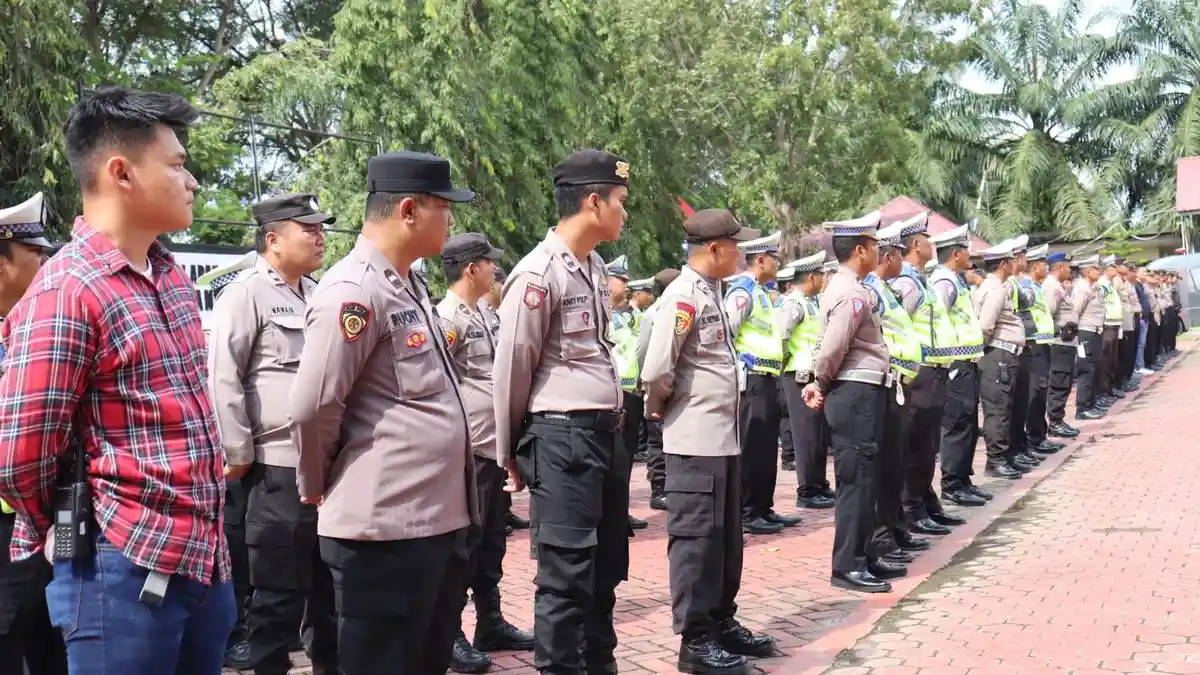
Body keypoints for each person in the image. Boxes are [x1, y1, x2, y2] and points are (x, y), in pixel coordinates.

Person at [0, 86, 236, 675]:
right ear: (121, 172)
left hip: (202, 564)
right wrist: (85, 530)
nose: (193, 180)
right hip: (121, 570)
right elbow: (20, 458)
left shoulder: (170, 276)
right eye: (178, 164)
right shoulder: (68, 291)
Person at [291, 150, 478, 675]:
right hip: (385, 532)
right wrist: (315, 481)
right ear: (410, 211)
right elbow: (314, 405)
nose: (453, 220)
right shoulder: (354, 291)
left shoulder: (409, 283)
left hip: (432, 521)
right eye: (447, 207)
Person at [492, 149, 631, 675]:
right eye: (620, 201)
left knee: (604, 574)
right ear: (593, 202)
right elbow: (511, 369)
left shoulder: (592, 267)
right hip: (562, 439)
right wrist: (509, 452)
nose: (625, 212)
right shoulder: (537, 274)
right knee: (566, 579)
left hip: (602, 436)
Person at [208, 194, 338, 675]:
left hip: (325, 470)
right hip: (275, 469)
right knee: (277, 598)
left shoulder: (318, 292)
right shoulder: (246, 294)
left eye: (321, 228)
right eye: (308, 228)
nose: (320, 236)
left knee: (329, 595)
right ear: (272, 239)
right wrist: (239, 454)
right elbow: (223, 378)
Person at [642, 209, 776, 675]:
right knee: (696, 542)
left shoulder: (711, 293)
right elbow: (658, 368)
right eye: (736, 245)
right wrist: (660, 409)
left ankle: (721, 621)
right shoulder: (682, 296)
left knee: (725, 540)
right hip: (695, 439)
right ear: (714, 248)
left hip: (722, 438)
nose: (742, 254)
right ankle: (695, 640)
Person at [435, 233, 535, 674]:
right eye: (489, 264)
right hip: (468, 450)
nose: (496, 270)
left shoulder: (487, 315)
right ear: (470, 268)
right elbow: (439, 386)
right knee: (465, 544)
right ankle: (451, 632)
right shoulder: (447, 318)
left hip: (492, 448)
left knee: (492, 540)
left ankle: (489, 621)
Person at [802, 211, 892, 593]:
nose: (879, 253)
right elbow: (833, 347)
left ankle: (864, 555)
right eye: (874, 246)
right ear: (860, 250)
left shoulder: (851, 288)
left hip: (862, 390)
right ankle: (848, 565)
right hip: (853, 392)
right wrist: (819, 381)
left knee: (866, 479)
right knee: (855, 481)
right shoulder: (851, 293)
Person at [0, 193, 66, 675]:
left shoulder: (28, 329)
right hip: (7, 531)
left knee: (55, 638)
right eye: (36, 255)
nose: (46, 265)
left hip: (46, 522)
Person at [886, 213, 965, 532]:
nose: (934, 245)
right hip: (920, 375)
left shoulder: (921, 280)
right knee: (917, 444)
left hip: (935, 372)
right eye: (929, 239)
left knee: (927, 444)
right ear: (916, 244)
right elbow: (893, 328)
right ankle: (912, 508)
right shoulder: (905, 283)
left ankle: (925, 501)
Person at [725, 231, 799, 535]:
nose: (779, 263)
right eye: (775, 258)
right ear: (760, 260)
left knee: (767, 446)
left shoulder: (761, 293)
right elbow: (727, 333)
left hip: (768, 378)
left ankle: (763, 507)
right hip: (751, 379)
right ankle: (747, 510)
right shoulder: (741, 292)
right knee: (752, 444)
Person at [860, 222, 923, 576]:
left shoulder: (884, 290)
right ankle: (883, 538)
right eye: (899, 253)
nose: (903, 259)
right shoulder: (870, 291)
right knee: (883, 468)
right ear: (888, 256)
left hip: (899, 381)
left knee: (895, 464)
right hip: (885, 383)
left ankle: (896, 531)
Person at [927, 226, 989, 508]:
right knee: (956, 424)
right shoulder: (944, 283)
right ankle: (952, 483)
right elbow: (936, 321)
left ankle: (963, 479)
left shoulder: (956, 281)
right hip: (955, 364)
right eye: (966, 250)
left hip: (967, 363)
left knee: (968, 423)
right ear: (955, 253)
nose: (970, 256)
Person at [778, 253, 836, 511]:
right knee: (806, 436)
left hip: (813, 376)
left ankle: (818, 483)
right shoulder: (794, 303)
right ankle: (807, 490)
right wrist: (787, 359)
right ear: (811, 277)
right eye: (821, 275)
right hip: (799, 377)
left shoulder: (811, 302)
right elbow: (782, 336)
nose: (824, 280)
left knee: (819, 434)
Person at [974, 239, 1028, 479]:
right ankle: (995, 461)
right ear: (1003, 263)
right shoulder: (995, 288)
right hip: (998, 355)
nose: (1016, 264)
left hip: (1003, 354)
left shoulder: (998, 286)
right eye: (1012, 260)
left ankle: (1001, 457)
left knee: (1004, 408)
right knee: (998, 409)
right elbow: (985, 325)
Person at [605, 255, 649, 531]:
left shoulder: (630, 316)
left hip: (632, 392)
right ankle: (611, 515)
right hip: (613, 395)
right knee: (613, 459)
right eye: (621, 280)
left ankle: (621, 511)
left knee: (628, 457)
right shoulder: (601, 314)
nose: (627, 285)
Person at [1015, 244, 1065, 457]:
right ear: (1035, 268)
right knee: (1035, 393)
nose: (1047, 269)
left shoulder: (1035, 287)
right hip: (1034, 345)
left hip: (1043, 343)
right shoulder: (1026, 287)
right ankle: (1034, 437)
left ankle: (1039, 435)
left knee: (1040, 390)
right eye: (1044, 266)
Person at [638, 268, 681, 512]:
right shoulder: (654, 314)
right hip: (659, 383)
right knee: (657, 439)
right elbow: (643, 351)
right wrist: (648, 383)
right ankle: (659, 489)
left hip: (677, 382)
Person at [1041, 252, 1081, 439]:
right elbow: (1046, 314)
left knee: (1064, 382)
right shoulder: (1052, 287)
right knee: (1059, 382)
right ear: (1060, 268)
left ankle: (1058, 419)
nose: (1070, 270)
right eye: (1068, 267)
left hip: (1067, 342)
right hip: (1059, 343)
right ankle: (1055, 421)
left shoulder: (1059, 286)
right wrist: (1059, 329)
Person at [1072, 255, 1107, 420]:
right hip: (1085, 331)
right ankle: (1082, 407)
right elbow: (1075, 312)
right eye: (1095, 269)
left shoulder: (1095, 287)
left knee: (1095, 368)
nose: (1099, 271)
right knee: (1086, 369)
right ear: (1087, 271)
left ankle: (1091, 404)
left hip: (1095, 331)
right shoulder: (1082, 289)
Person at [1096, 256, 1124, 403]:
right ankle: (1104, 392)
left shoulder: (1110, 284)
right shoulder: (1102, 284)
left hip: (1114, 325)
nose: (1116, 269)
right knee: (1106, 360)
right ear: (1107, 269)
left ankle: (1110, 388)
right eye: (1113, 267)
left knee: (1112, 360)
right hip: (1107, 326)